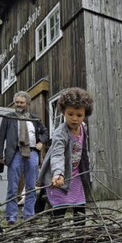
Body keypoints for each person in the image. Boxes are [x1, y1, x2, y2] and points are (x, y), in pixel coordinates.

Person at [37, 87, 93, 227]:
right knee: (59, 210)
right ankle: (53, 239)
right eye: (70, 114)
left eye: (79, 115)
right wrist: (58, 174)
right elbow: (57, 155)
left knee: (80, 208)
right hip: (59, 176)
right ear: (63, 112)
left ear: (85, 114)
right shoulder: (60, 133)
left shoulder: (83, 128)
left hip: (76, 176)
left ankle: (79, 239)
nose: (74, 118)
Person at [0, 91, 49, 225]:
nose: (18, 105)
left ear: (28, 104)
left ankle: (29, 215)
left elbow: (45, 132)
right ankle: (11, 217)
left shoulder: (34, 119)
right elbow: (1, 137)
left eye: (21, 102)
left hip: (32, 154)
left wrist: (41, 142)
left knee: (31, 186)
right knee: (12, 187)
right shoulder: (8, 117)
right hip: (15, 154)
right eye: (17, 102)